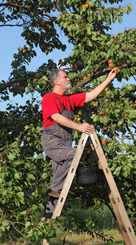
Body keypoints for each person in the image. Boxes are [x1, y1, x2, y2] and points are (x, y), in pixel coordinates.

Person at [41, 68, 118, 218]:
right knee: (73, 155)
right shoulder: (49, 98)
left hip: (64, 143)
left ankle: (49, 220)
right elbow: (56, 117)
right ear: (57, 81)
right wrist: (79, 126)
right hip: (52, 141)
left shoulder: (70, 99)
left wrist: (108, 79)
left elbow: (91, 95)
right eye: (65, 77)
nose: (68, 79)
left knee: (58, 181)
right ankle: (55, 192)